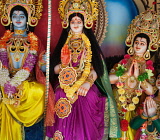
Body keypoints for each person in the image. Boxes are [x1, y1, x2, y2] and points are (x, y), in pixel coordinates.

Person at [0, 1, 54, 140]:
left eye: (22, 16)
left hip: (26, 82)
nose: (18, 19)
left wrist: (43, 62)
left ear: (28, 19)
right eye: (15, 15)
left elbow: (41, 68)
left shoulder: (36, 41)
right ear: (9, 18)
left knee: (40, 92)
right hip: (1, 80)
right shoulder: (2, 40)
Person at [46, 0, 121, 139]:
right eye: (73, 21)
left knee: (87, 97)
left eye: (78, 21)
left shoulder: (90, 45)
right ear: (68, 23)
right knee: (60, 95)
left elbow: (97, 69)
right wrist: (64, 65)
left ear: (85, 23)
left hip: (86, 81)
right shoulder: (64, 45)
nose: (75, 23)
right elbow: (54, 69)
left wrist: (87, 83)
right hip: (65, 82)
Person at [108, 7, 160, 140]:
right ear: (131, 43)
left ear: (148, 47)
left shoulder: (149, 69)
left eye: (142, 43)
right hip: (118, 105)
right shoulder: (122, 63)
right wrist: (126, 75)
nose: (138, 45)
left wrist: (139, 79)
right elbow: (109, 79)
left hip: (136, 108)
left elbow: (151, 90)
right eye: (136, 42)